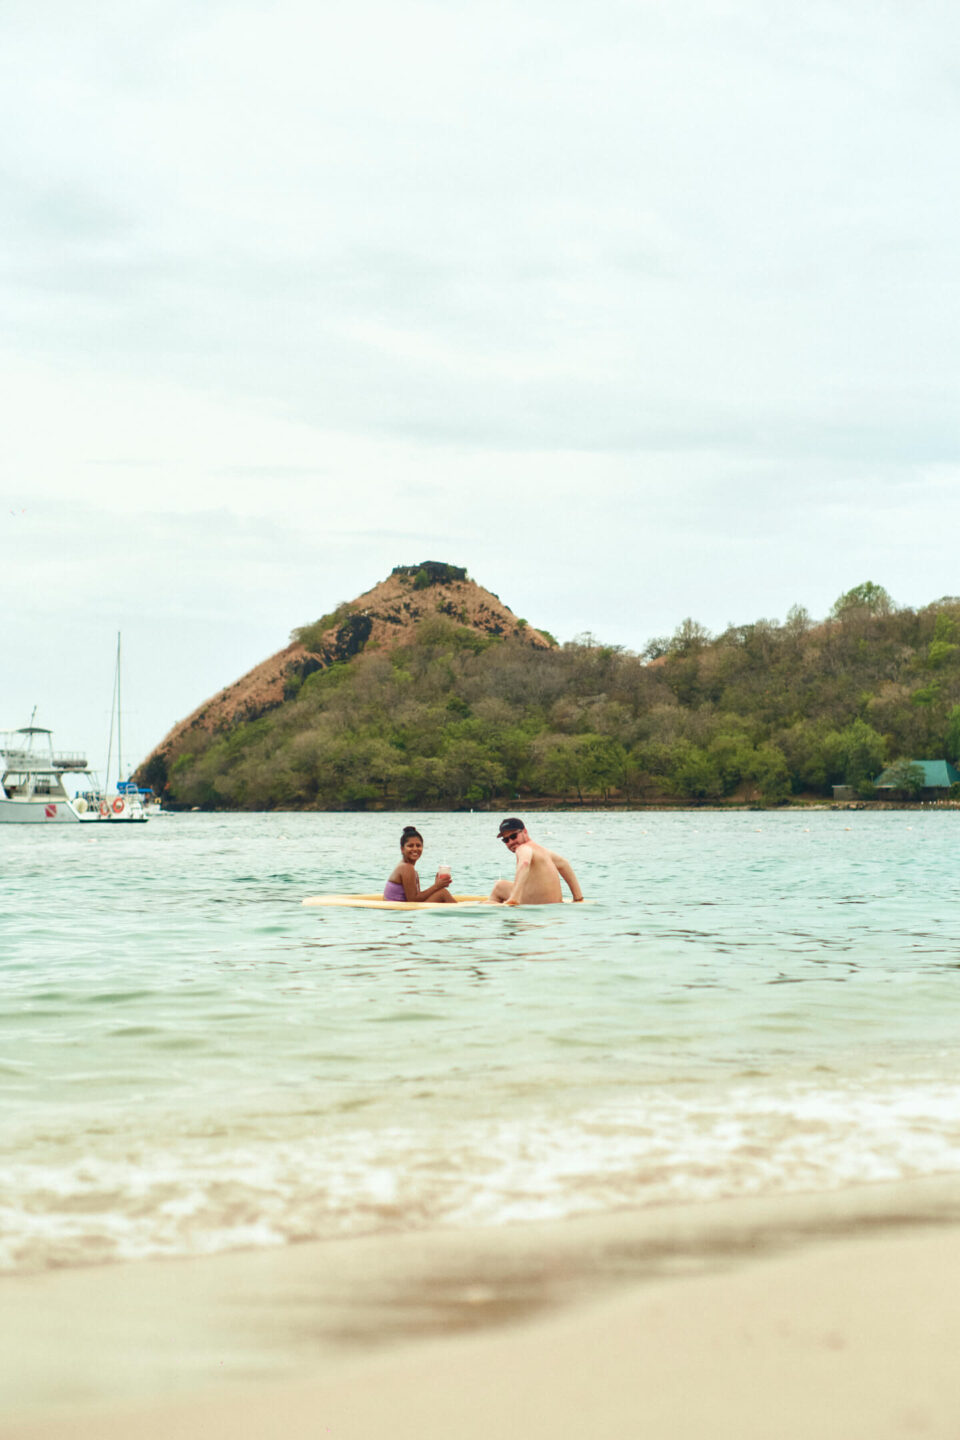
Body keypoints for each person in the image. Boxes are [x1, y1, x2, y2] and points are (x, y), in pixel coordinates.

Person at [488, 818, 584, 906]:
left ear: (525, 831)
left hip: (538, 904)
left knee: (499, 886)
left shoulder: (522, 848)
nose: (511, 842)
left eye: (513, 836)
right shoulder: (544, 851)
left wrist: (514, 899)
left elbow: (524, 863)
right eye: (506, 840)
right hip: (554, 908)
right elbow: (564, 864)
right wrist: (578, 898)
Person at [384, 825, 457, 903]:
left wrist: (437, 886)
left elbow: (417, 897)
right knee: (443, 893)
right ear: (402, 849)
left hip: (403, 908)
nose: (415, 849)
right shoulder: (406, 867)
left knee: (441, 892)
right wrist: (437, 886)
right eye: (410, 846)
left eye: (418, 845)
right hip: (397, 910)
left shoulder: (408, 867)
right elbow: (413, 900)